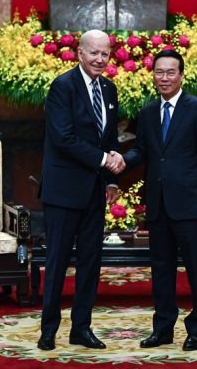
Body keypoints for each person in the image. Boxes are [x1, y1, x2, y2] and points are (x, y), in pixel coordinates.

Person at [122, 49, 197, 351]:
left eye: (170, 72)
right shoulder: (149, 112)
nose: (164, 78)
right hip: (159, 204)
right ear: (153, 75)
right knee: (161, 270)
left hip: (191, 204)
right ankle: (163, 328)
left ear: (181, 75)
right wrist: (119, 159)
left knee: (196, 270)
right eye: (159, 72)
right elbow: (142, 151)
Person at [37, 29, 126, 351]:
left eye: (105, 54)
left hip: (94, 190)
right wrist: (105, 159)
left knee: (91, 262)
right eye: (94, 53)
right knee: (58, 261)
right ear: (79, 53)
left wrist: (113, 176)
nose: (100, 59)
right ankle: (48, 330)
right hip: (63, 192)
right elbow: (63, 138)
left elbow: (109, 137)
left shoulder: (109, 89)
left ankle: (81, 329)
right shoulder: (62, 87)